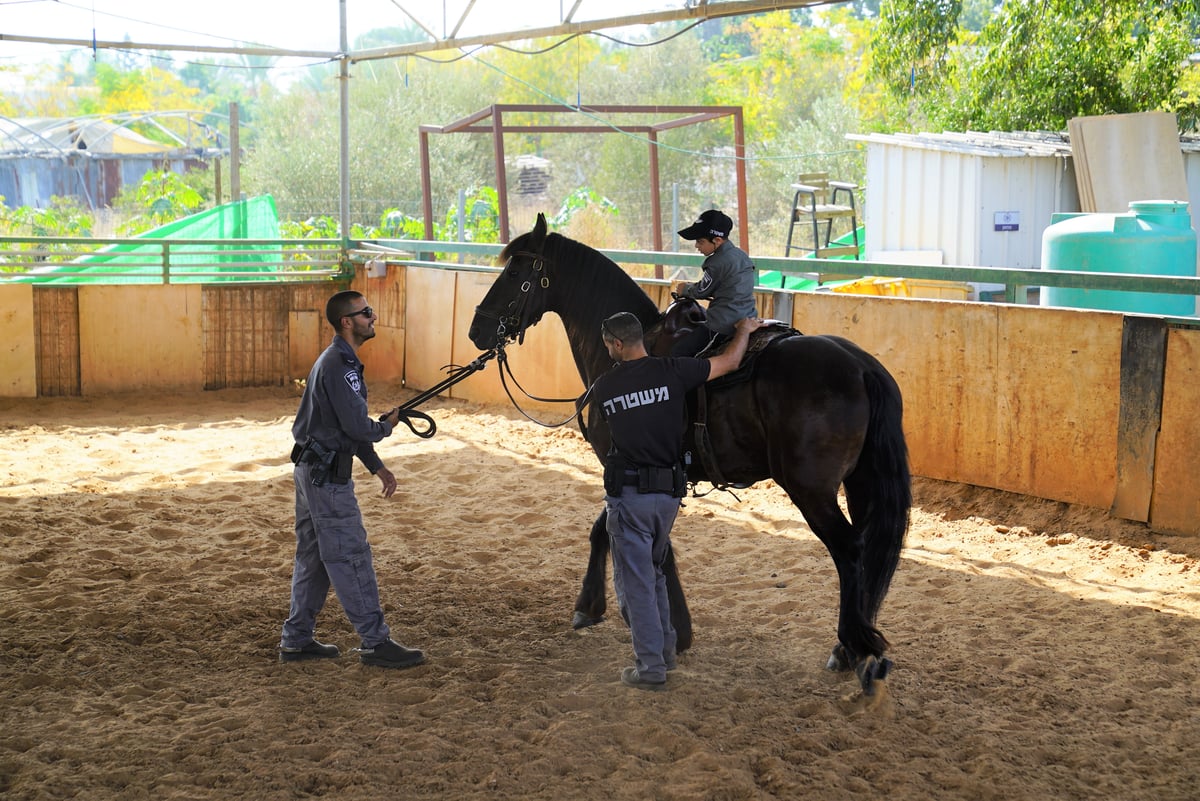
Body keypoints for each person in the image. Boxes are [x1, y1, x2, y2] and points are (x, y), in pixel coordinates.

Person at [593, 311, 767, 691]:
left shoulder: (605, 386)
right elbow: (732, 362)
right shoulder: (674, 371)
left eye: (609, 345)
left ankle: (651, 668)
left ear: (618, 344)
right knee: (653, 574)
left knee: (635, 583)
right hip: (668, 499)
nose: (608, 350)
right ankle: (666, 652)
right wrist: (743, 331)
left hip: (630, 498)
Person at [278, 289, 425, 670]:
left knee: (314, 559)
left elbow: (344, 429)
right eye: (366, 313)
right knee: (349, 554)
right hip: (327, 478)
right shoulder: (341, 367)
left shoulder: (335, 361)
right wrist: (386, 427)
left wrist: (376, 465)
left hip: (311, 470)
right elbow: (359, 426)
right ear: (348, 322)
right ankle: (375, 642)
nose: (373, 317)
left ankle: (297, 640)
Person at [671, 209, 758, 357]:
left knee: (678, 353)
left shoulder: (716, 262)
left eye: (700, 241)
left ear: (717, 241)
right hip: (748, 315)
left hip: (723, 324)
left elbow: (701, 291)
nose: (696, 246)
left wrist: (684, 289)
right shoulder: (741, 255)